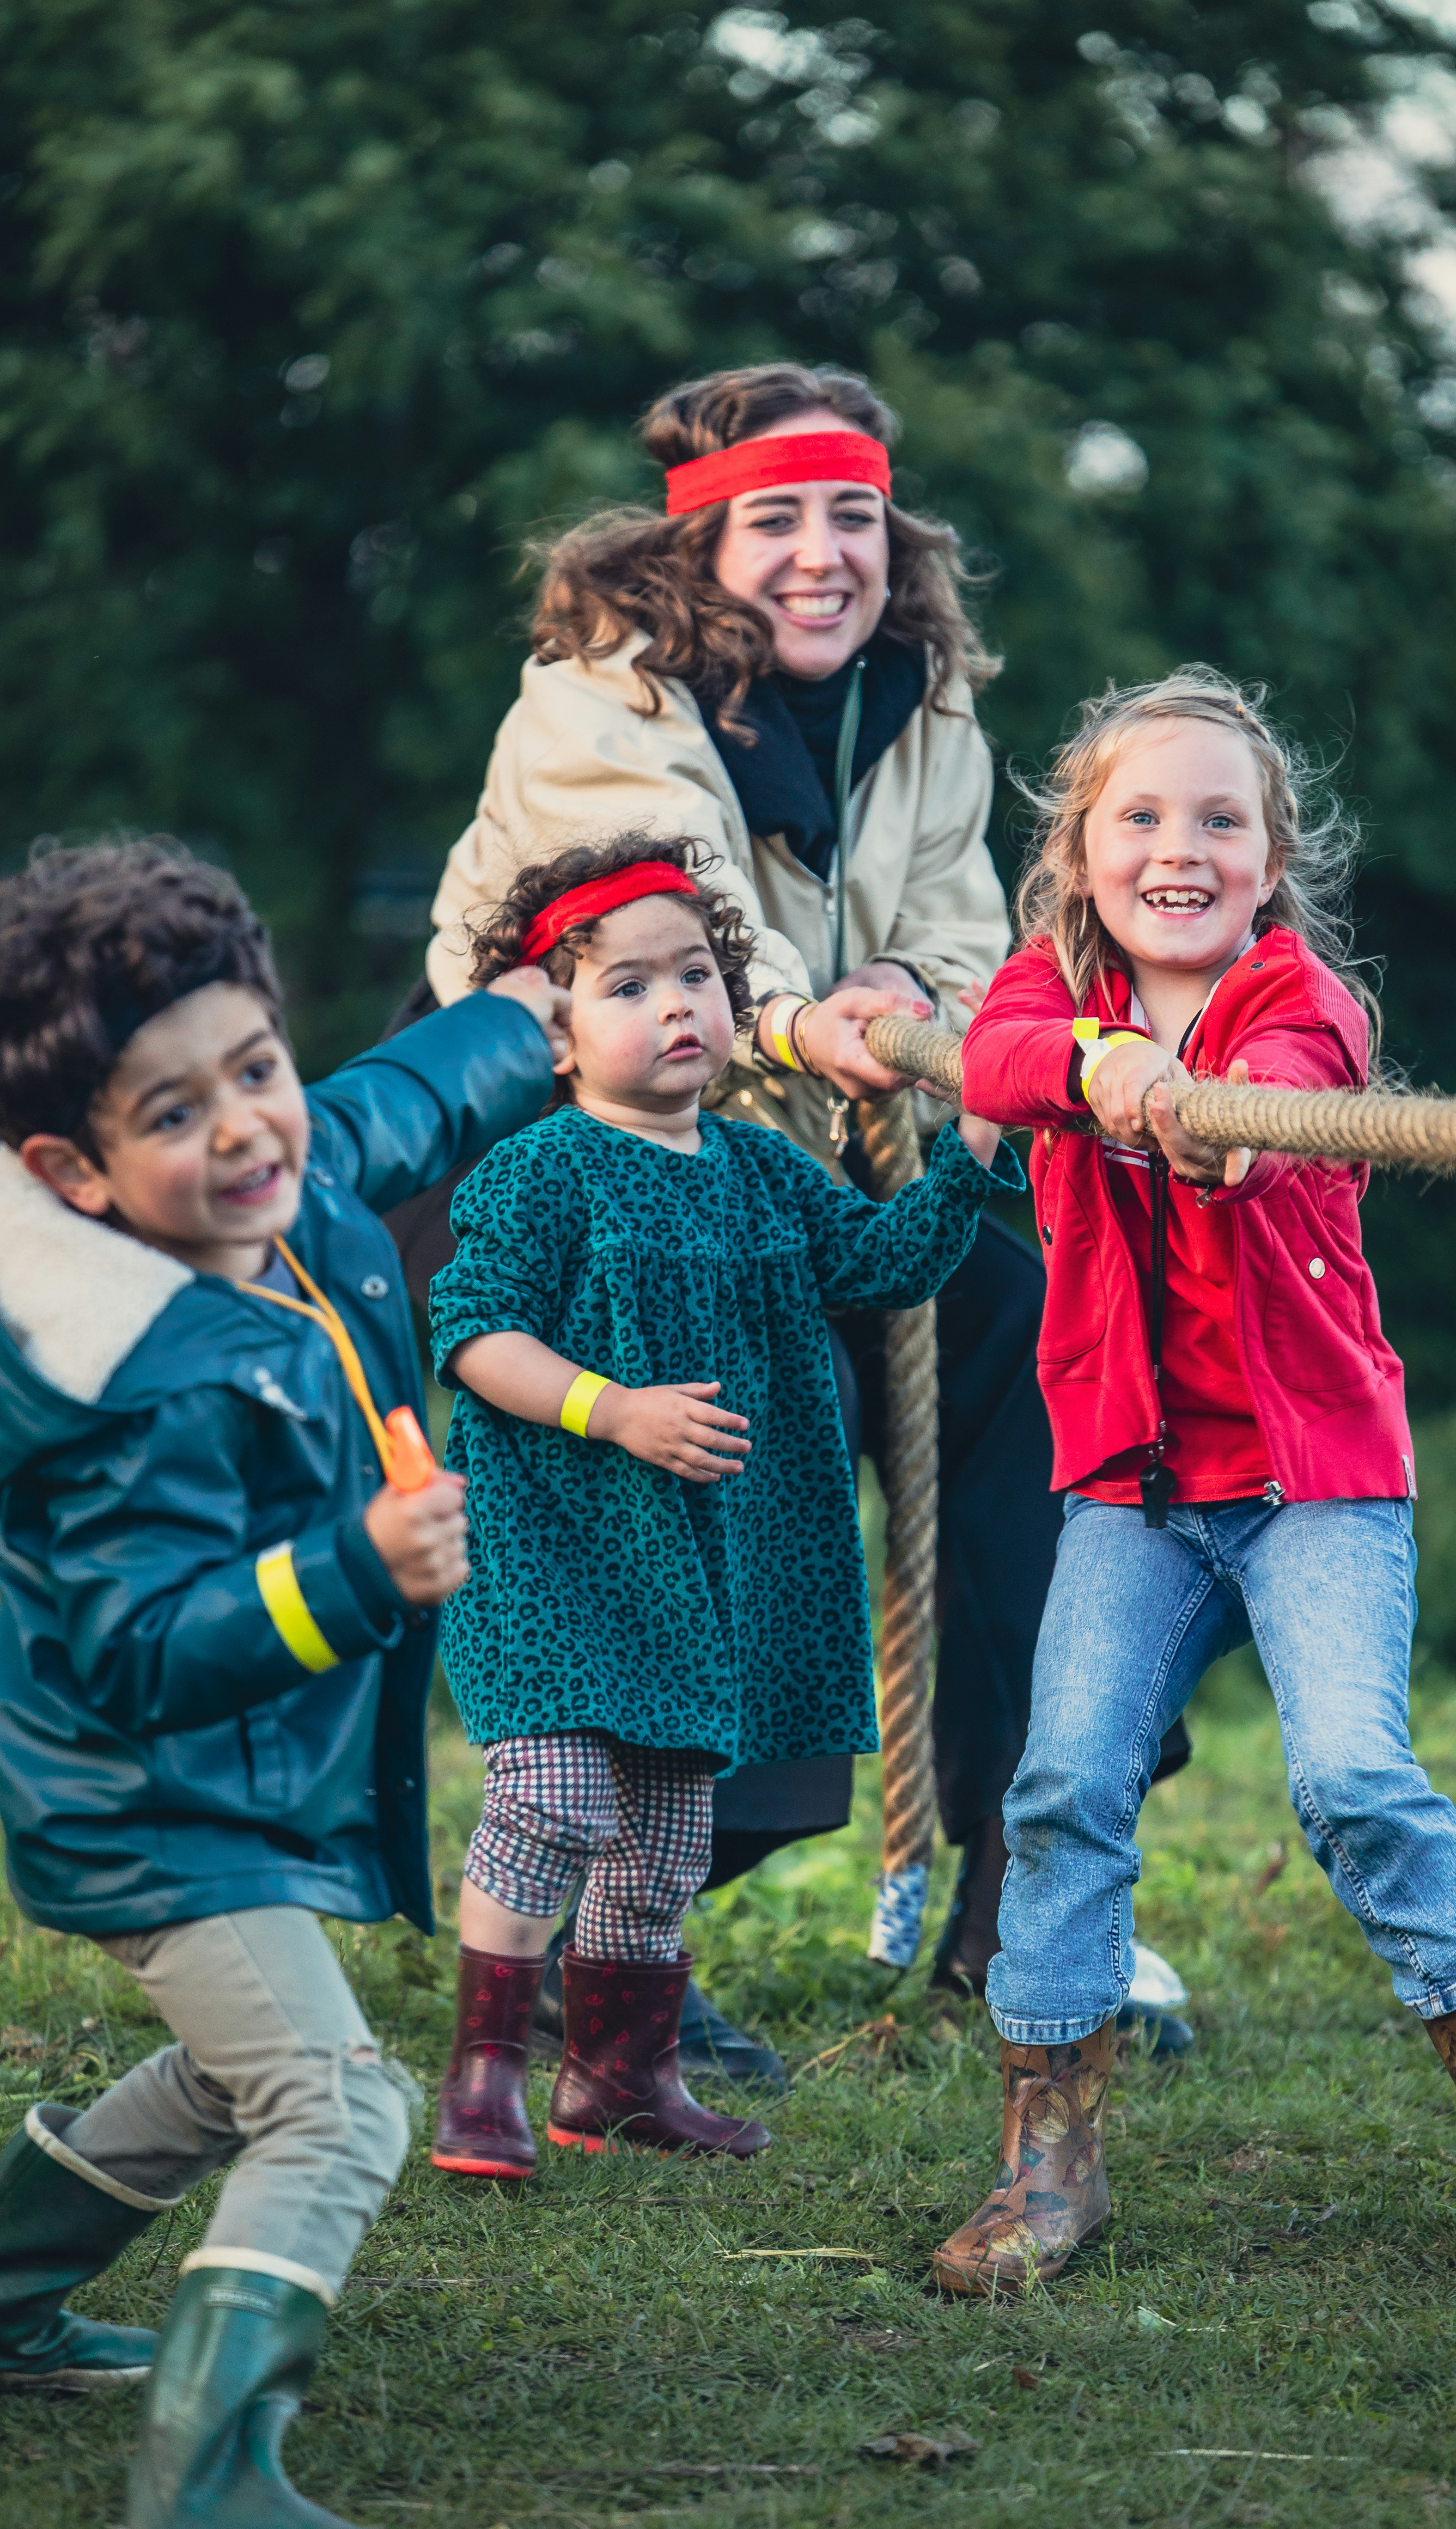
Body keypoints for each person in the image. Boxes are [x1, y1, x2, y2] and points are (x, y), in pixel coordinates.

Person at [397, 358, 1192, 2075]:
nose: (824, 554)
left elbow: (976, 937)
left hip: (815, 1150)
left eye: (856, 516)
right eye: (777, 520)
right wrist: (804, 1018)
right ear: (697, 546)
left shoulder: (928, 700)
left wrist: (913, 989)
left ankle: (1037, 1873)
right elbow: (665, 916)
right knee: (751, 1427)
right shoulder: (592, 709)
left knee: (1046, 1355)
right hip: (596, 1153)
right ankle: (606, 1925)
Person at [933, 667, 1456, 2295]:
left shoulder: (1297, 1001)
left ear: (1270, 855)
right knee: (1062, 1779)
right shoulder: (1048, 994)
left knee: (1353, 1778)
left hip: (1314, 1483)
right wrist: (1102, 1071)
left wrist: (1217, 1121)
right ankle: (1049, 2168)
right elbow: (999, 1060)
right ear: (1081, 851)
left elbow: (1301, 1089)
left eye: (1220, 820)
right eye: (1141, 817)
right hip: (1134, 1490)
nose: (1181, 846)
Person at [0, 842, 561, 2520]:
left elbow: (392, 1107)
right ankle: (207, 2477)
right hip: (146, 1798)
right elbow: (134, 1649)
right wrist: (346, 1580)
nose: (245, 1128)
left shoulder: (296, 1193)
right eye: (174, 1115)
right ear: (74, 1173)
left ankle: (7, 2297)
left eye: (253, 1070)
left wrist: (522, 1024)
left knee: (233, 2069)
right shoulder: (135, 1382)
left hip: (239, 1782)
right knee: (330, 2102)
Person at [425, 833, 1021, 2176]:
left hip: (708, 1567)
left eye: (694, 973)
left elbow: (884, 1263)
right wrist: (614, 1410)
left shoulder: (762, 1171)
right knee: (555, 1800)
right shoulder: (542, 1171)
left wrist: (971, 1151)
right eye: (626, 987)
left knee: (670, 1827)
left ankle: (619, 2078)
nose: (675, 1006)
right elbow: (471, 1334)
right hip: (564, 1552)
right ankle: (484, 2077)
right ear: (559, 1040)